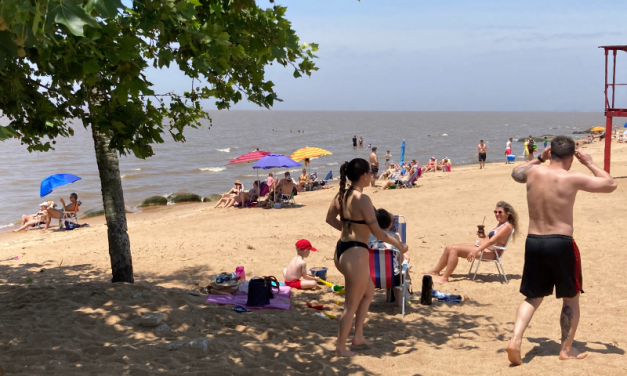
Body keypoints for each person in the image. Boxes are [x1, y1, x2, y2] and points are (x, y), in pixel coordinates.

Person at [507, 136, 616, 366]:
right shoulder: (572, 177)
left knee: (533, 296)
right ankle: (566, 350)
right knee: (571, 298)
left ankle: (515, 339)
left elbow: (515, 172)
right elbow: (610, 184)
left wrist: (538, 158)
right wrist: (589, 163)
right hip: (561, 242)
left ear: (551, 153)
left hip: (534, 240)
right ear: (571, 157)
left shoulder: (532, 173)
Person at [325, 158, 408, 357]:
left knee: (369, 291)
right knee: (350, 305)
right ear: (364, 176)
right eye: (371, 173)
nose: (372, 176)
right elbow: (378, 232)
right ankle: (340, 348)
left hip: (342, 251)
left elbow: (329, 219)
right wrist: (399, 245)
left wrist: (346, 229)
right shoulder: (362, 199)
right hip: (355, 254)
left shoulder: (341, 195)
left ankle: (358, 336)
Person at [423, 201, 518, 284]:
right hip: (484, 248)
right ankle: (436, 270)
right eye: (495, 212)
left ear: (508, 214)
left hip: (492, 253)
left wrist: (477, 250)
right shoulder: (500, 224)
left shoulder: (507, 227)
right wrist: (483, 237)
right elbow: (490, 239)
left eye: (500, 212)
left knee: (454, 249)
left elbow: (492, 241)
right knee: (449, 247)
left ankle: (444, 278)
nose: (497, 214)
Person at [368, 209, 410, 305]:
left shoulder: (367, 237)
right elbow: (400, 260)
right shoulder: (394, 237)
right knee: (399, 271)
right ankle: (400, 304)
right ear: (390, 224)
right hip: (392, 277)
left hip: (370, 276)